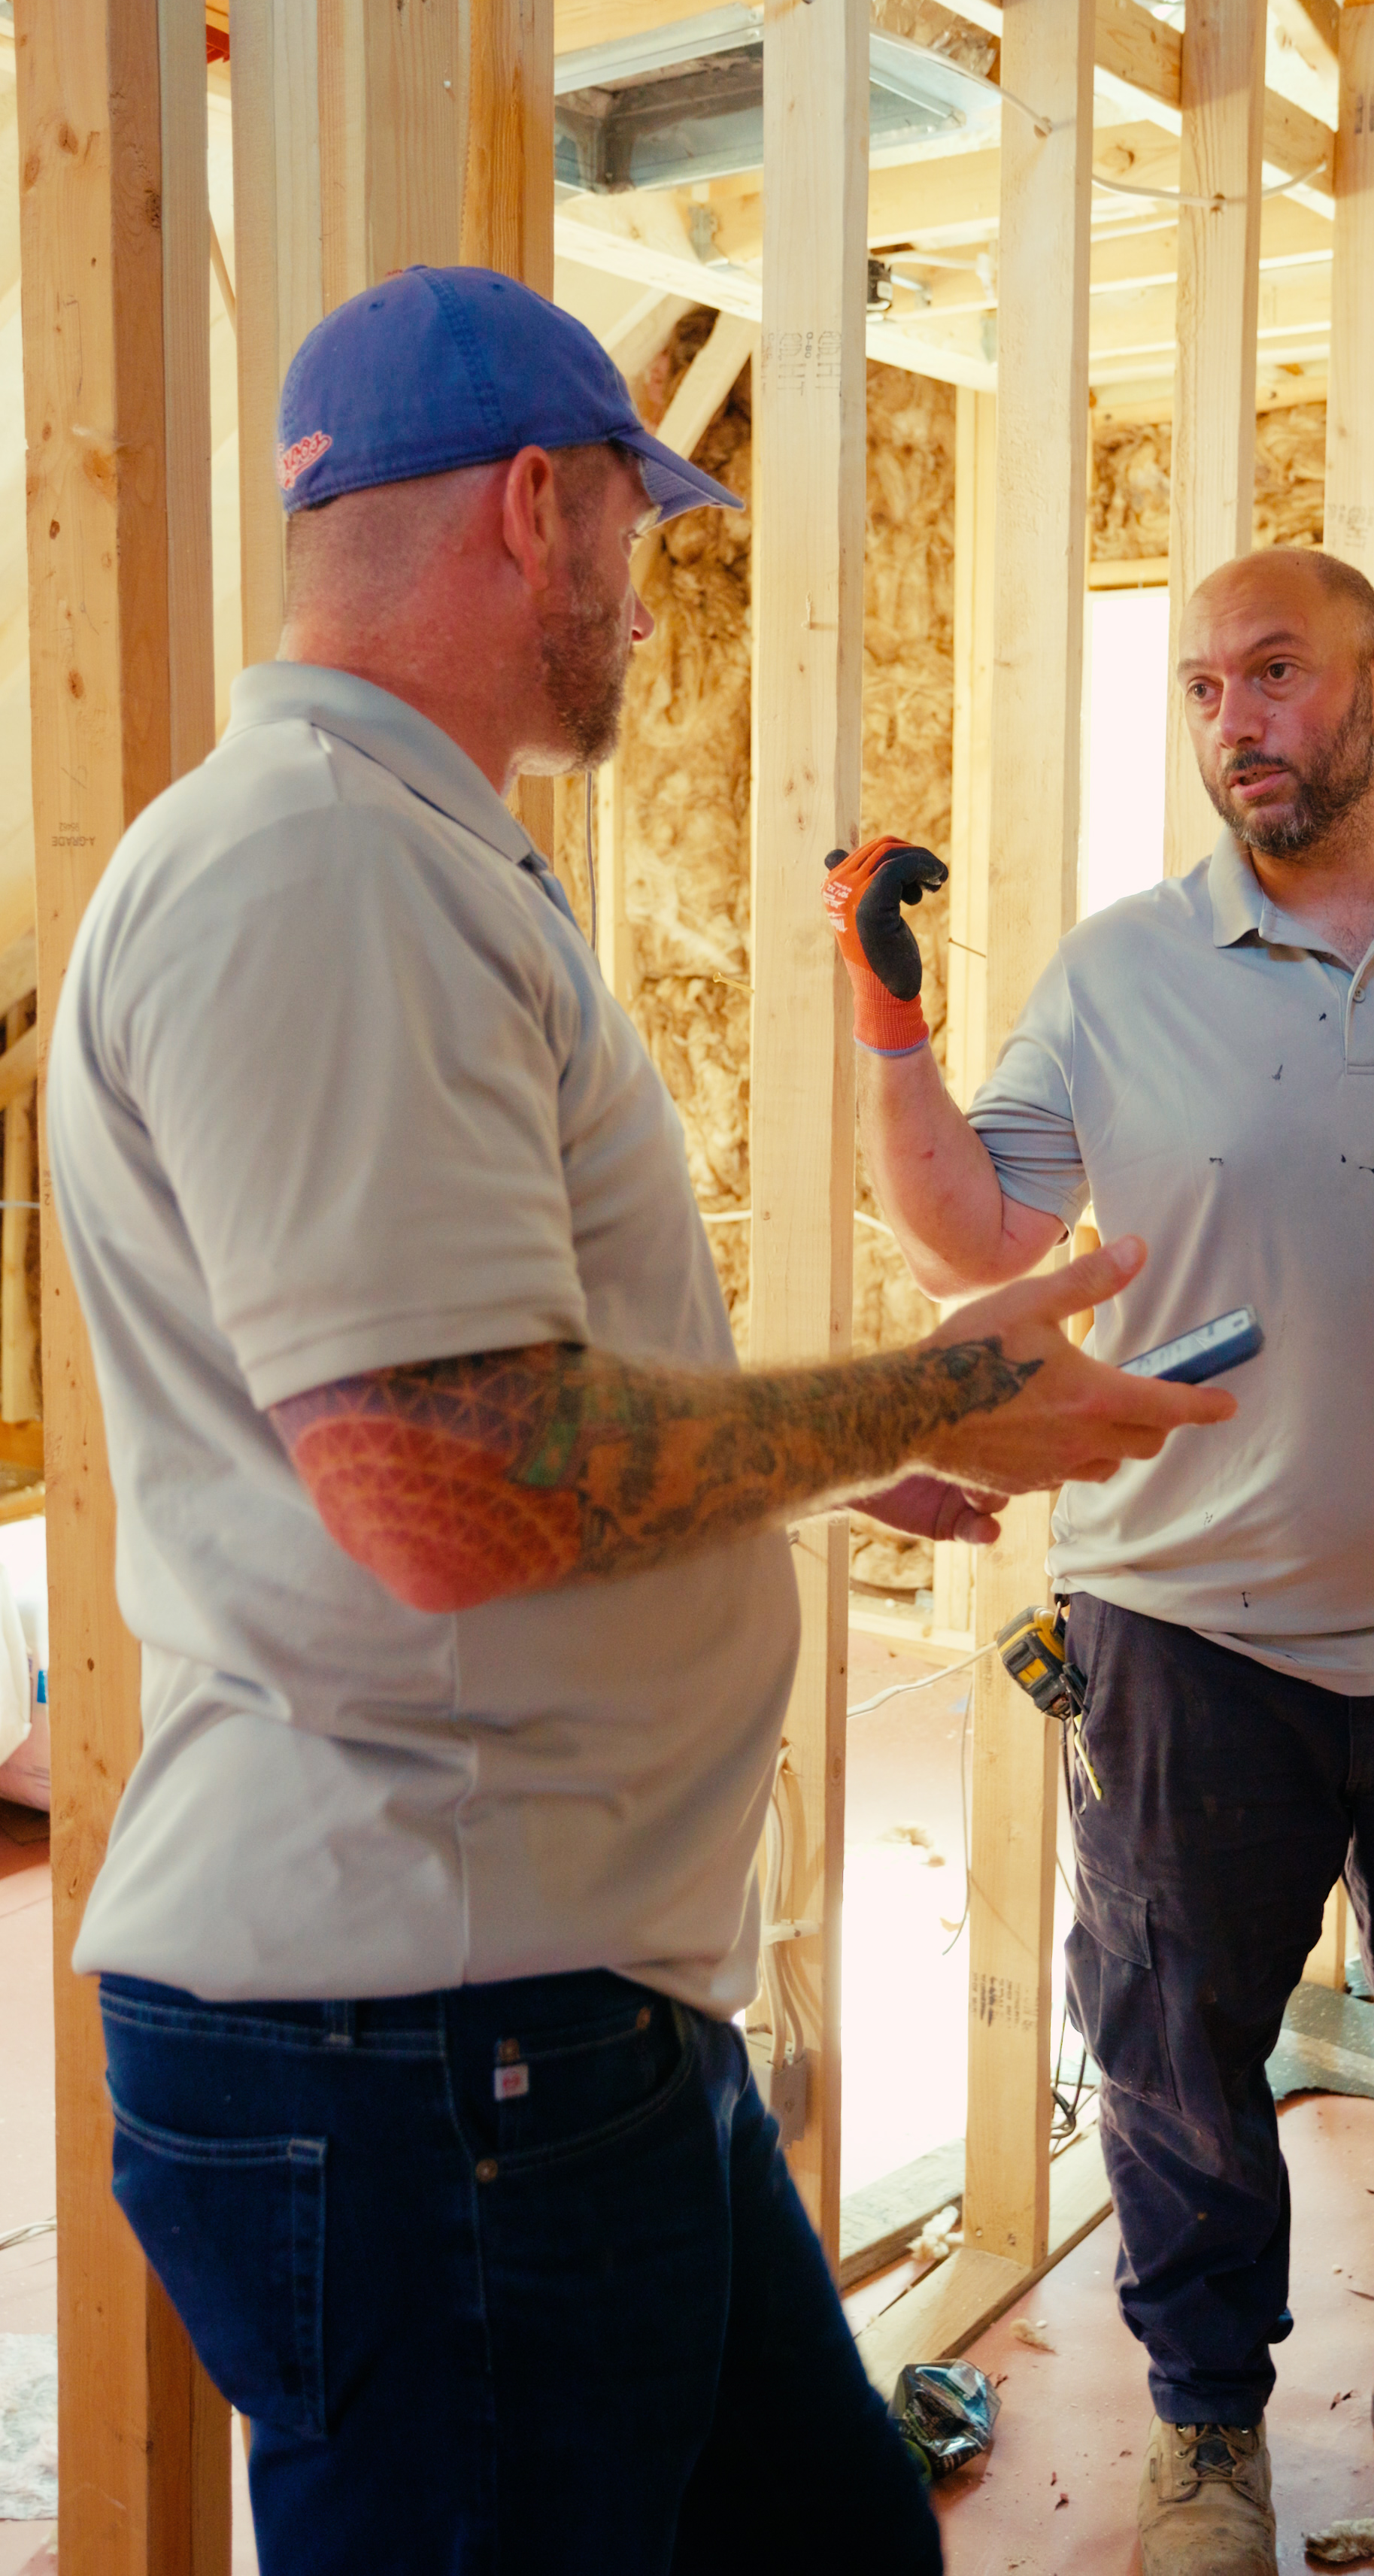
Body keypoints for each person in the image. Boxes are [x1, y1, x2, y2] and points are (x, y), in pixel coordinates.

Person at [44, 267, 1234, 2576]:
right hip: (431, 2048)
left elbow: (494, 1400)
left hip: (538, 2013)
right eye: (633, 522)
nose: (646, 588)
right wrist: (935, 1390)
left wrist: (848, 1444)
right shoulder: (328, 870)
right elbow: (443, 1483)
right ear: (531, 508)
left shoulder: (396, 852)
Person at [827, 545, 1374, 2574]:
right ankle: (1202, 2436)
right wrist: (891, 1031)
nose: (1231, 720)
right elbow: (981, 1241)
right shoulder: (1117, 975)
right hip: (1184, 1631)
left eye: (1273, 672)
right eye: (1199, 686)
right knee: (1175, 2065)